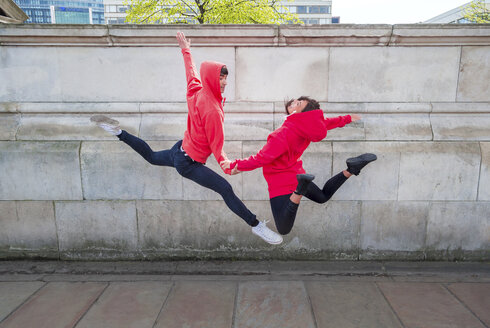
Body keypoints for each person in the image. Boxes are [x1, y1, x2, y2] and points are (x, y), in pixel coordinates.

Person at [90, 32, 283, 245]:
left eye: (226, 77)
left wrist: (186, 50)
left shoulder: (196, 90)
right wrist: (228, 167)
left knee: (152, 157)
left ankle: (117, 132)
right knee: (225, 189)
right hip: (189, 164)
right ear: (212, 78)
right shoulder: (213, 111)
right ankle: (256, 226)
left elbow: (191, 72)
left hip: (179, 149)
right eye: (221, 77)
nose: (225, 82)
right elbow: (216, 146)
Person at [221, 96, 377, 235]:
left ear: (300, 113)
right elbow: (329, 122)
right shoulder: (307, 126)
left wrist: (234, 165)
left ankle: (300, 189)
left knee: (283, 229)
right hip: (296, 174)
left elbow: (261, 158)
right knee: (322, 197)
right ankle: (352, 168)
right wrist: (350, 118)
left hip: (280, 181)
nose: (294, 101)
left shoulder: (283, 133)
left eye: (299, 103)